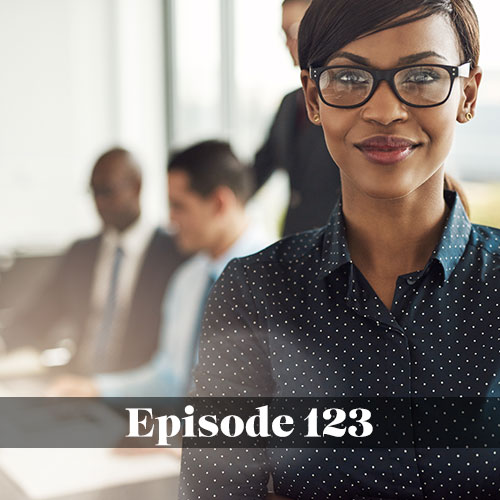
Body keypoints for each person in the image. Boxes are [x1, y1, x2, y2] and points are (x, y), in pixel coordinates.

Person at [179, 0, 500, 498]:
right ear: (312, 98)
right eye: (349, 78)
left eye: (421, 75)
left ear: (468, 94)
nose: (385, 110)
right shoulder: (252, 294)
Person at [47, 140, 270, 397]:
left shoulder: (281, 280)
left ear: (219, 203)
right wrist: (95, 390)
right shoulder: (188, 280)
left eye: (179, 206)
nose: (170, 220)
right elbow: (169, 379)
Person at [2, 148, 185, 374]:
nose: (99, 202)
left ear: (136, 187)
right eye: (94, 192)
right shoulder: (81, 253)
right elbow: (38, 315)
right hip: (79, 386)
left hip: (138, 393)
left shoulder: (173, 254)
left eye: (107, 191)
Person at [253, 0, 341, 236]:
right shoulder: (289, 103)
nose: (287, 42)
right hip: (295, 238)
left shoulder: (347, 101)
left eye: (294, 30)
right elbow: (261, 165)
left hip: (338, 241)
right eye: (284, 33)